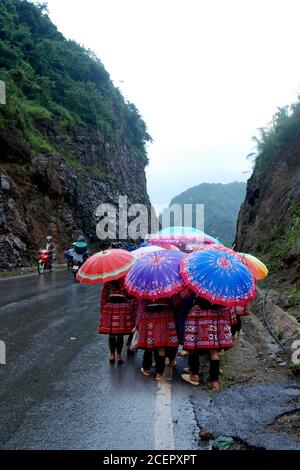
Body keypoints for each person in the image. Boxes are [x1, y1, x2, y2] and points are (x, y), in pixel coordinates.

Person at [181, 297, 233, 390]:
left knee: (194, 347)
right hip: (216, 316)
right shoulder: (220, 291)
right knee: (214, 352)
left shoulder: (203, 286)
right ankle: (214, 382)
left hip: (200, 314)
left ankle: (194, 375)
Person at [135, 298, 179, 380]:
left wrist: (137, 323)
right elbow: (175, 302)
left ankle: (146, 369)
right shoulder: (168, 287)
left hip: (149, 317)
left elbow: (142, 307)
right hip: (165, 317)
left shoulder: (146, 288)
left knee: (148, 346)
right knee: (161, 346)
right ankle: (159, 373)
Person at [99, 278, 134, 365]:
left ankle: (116, 355)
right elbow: (104, 296)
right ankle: (114, 355)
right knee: (114, 334)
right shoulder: (111, 282)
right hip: (116, 309)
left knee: (118, 334)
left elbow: (104, 297)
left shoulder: (123, 281)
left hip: (117, 309)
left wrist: (103, 310)